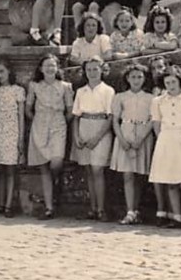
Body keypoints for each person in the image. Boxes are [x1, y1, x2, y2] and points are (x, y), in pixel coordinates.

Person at [147, 67, 181, 229]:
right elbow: (156, 125)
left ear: (180, 81)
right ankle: (177, 217)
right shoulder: (158, 101)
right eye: (167, 82)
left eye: (173, 82)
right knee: (170, 182)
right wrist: (165, 139)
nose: (170, 85)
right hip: (166, 140)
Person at [25, 54, 73, 219]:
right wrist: (39, 120)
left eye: (53, 65)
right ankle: (49, 207)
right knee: (43, 166)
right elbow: (28, 109)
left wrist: (60, 122)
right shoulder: (34, 86)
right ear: (40, 68)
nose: (50, 68)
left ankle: (57, 181)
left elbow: (70, 111)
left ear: (57, 68)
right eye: (46, 65)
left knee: (56, 160)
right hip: (40, 124)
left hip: (58, 124)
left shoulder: (65, 87)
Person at [71, 58, 116, 222]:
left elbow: (110, 116)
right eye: (89, 69)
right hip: (84, 126)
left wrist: (97, 137)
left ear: (102, 70)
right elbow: (75, 116)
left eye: (95, 69)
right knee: (88, 170)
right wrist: (76, 136)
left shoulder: (108, 91)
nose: (92, 72)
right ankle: (92, 208)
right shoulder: (81, 91)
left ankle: (102, 209)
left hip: (101, 128)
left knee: (98, 170)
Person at [110, 63, 154, 226]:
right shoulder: (120, 97)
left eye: (139, 77)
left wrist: (141, 137)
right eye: (133, 77)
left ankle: (136, 210)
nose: (136, 80)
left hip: (142, 134)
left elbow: (152, 119)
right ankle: (129, 211)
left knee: (139, 174)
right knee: (127, 174)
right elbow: (115, 120)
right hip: (126, 132)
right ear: (127, 79)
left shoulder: (150, 98)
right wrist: (121, 138)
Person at [0, 59, 27, 217]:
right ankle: (1, 202)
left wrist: (20, 138)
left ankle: (9, 204)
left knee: (10, 169)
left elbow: (21, 116)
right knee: (0, 169)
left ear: (9, 71)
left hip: (12, 130)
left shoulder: (17, 90)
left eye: (2, 71)